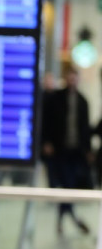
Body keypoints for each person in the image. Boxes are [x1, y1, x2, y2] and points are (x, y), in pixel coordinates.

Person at [43, 64, 93, 236]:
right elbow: (47, 122)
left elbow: (85, 128)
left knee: (68, 187)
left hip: (75, 152)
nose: (73, 80)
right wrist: (47, 142)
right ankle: (73, 219)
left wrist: (87, 151)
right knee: (66, 185)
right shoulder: (56, 98)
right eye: (70, 77)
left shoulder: (83, 101)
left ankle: (65, 219)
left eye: (75, 77)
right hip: (60, 150)